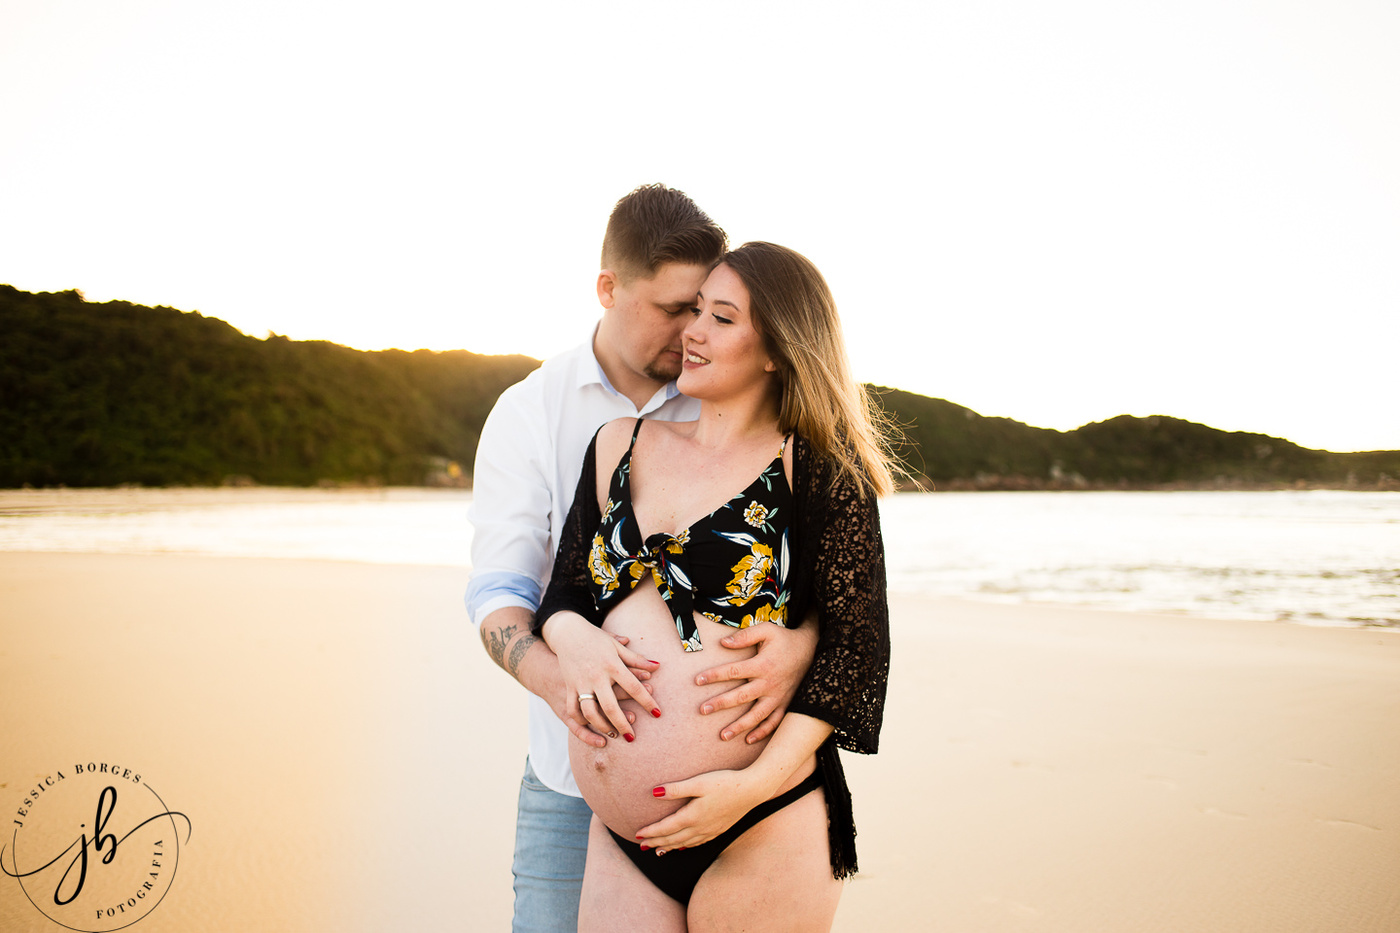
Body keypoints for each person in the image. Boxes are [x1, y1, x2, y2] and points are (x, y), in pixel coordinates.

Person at [467, 186, 820, 933]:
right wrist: (567, 671)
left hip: (742, 799)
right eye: (674, 308)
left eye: (707, 310)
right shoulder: (532, 413)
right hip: (574, 785)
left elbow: (828, 585)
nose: (692, 330)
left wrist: (802, 644)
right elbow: (502, 595)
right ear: (608, 289)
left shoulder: (729, 396)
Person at [534, 241, 893, 931]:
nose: (692, 331)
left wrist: (751, 787)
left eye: (722, 318)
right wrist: (574, 637)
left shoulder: (816, 466)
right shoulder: (618, 444)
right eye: (695, 309)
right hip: (626, 838)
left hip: (761, 820)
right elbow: (566, 591)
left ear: (777, 349)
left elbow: (858, 648)